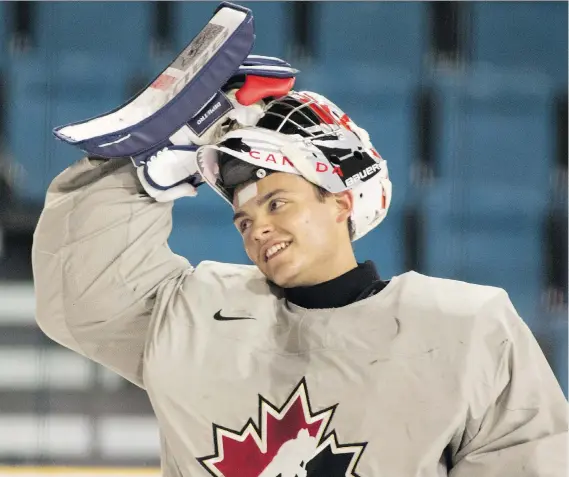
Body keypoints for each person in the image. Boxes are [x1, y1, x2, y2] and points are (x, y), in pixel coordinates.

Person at [33, 84, 567, 476]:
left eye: (277, 202)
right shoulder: (195, 314)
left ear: (338, 202)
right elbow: (85, 295)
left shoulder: (465, 326)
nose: (258, 226)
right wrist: (141, 170)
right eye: (244, 219)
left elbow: (527, 458)